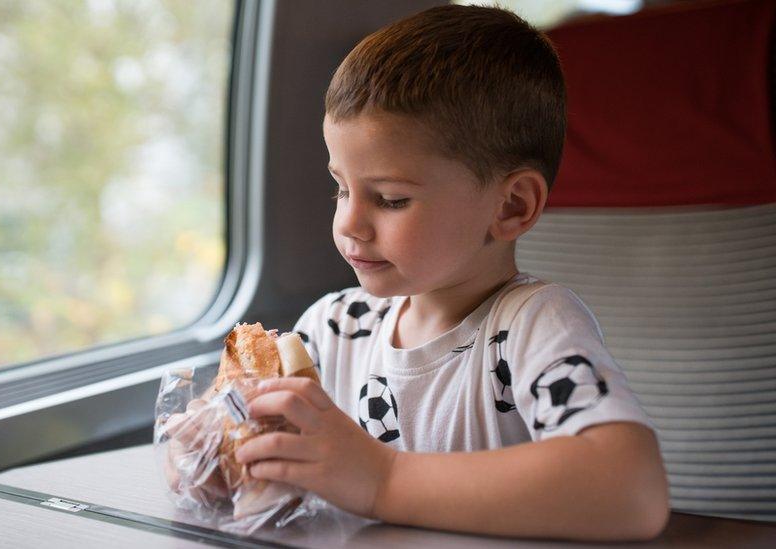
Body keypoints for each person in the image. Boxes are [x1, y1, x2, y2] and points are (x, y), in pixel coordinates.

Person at [231, 4, 670, 542]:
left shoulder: (531, 326)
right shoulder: (332, 329)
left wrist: (382, 479)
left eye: (390, 199)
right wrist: (220, 458)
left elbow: (632, 490)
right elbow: (268, 467)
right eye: (341, 188)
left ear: (510, 206)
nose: (348, 224)